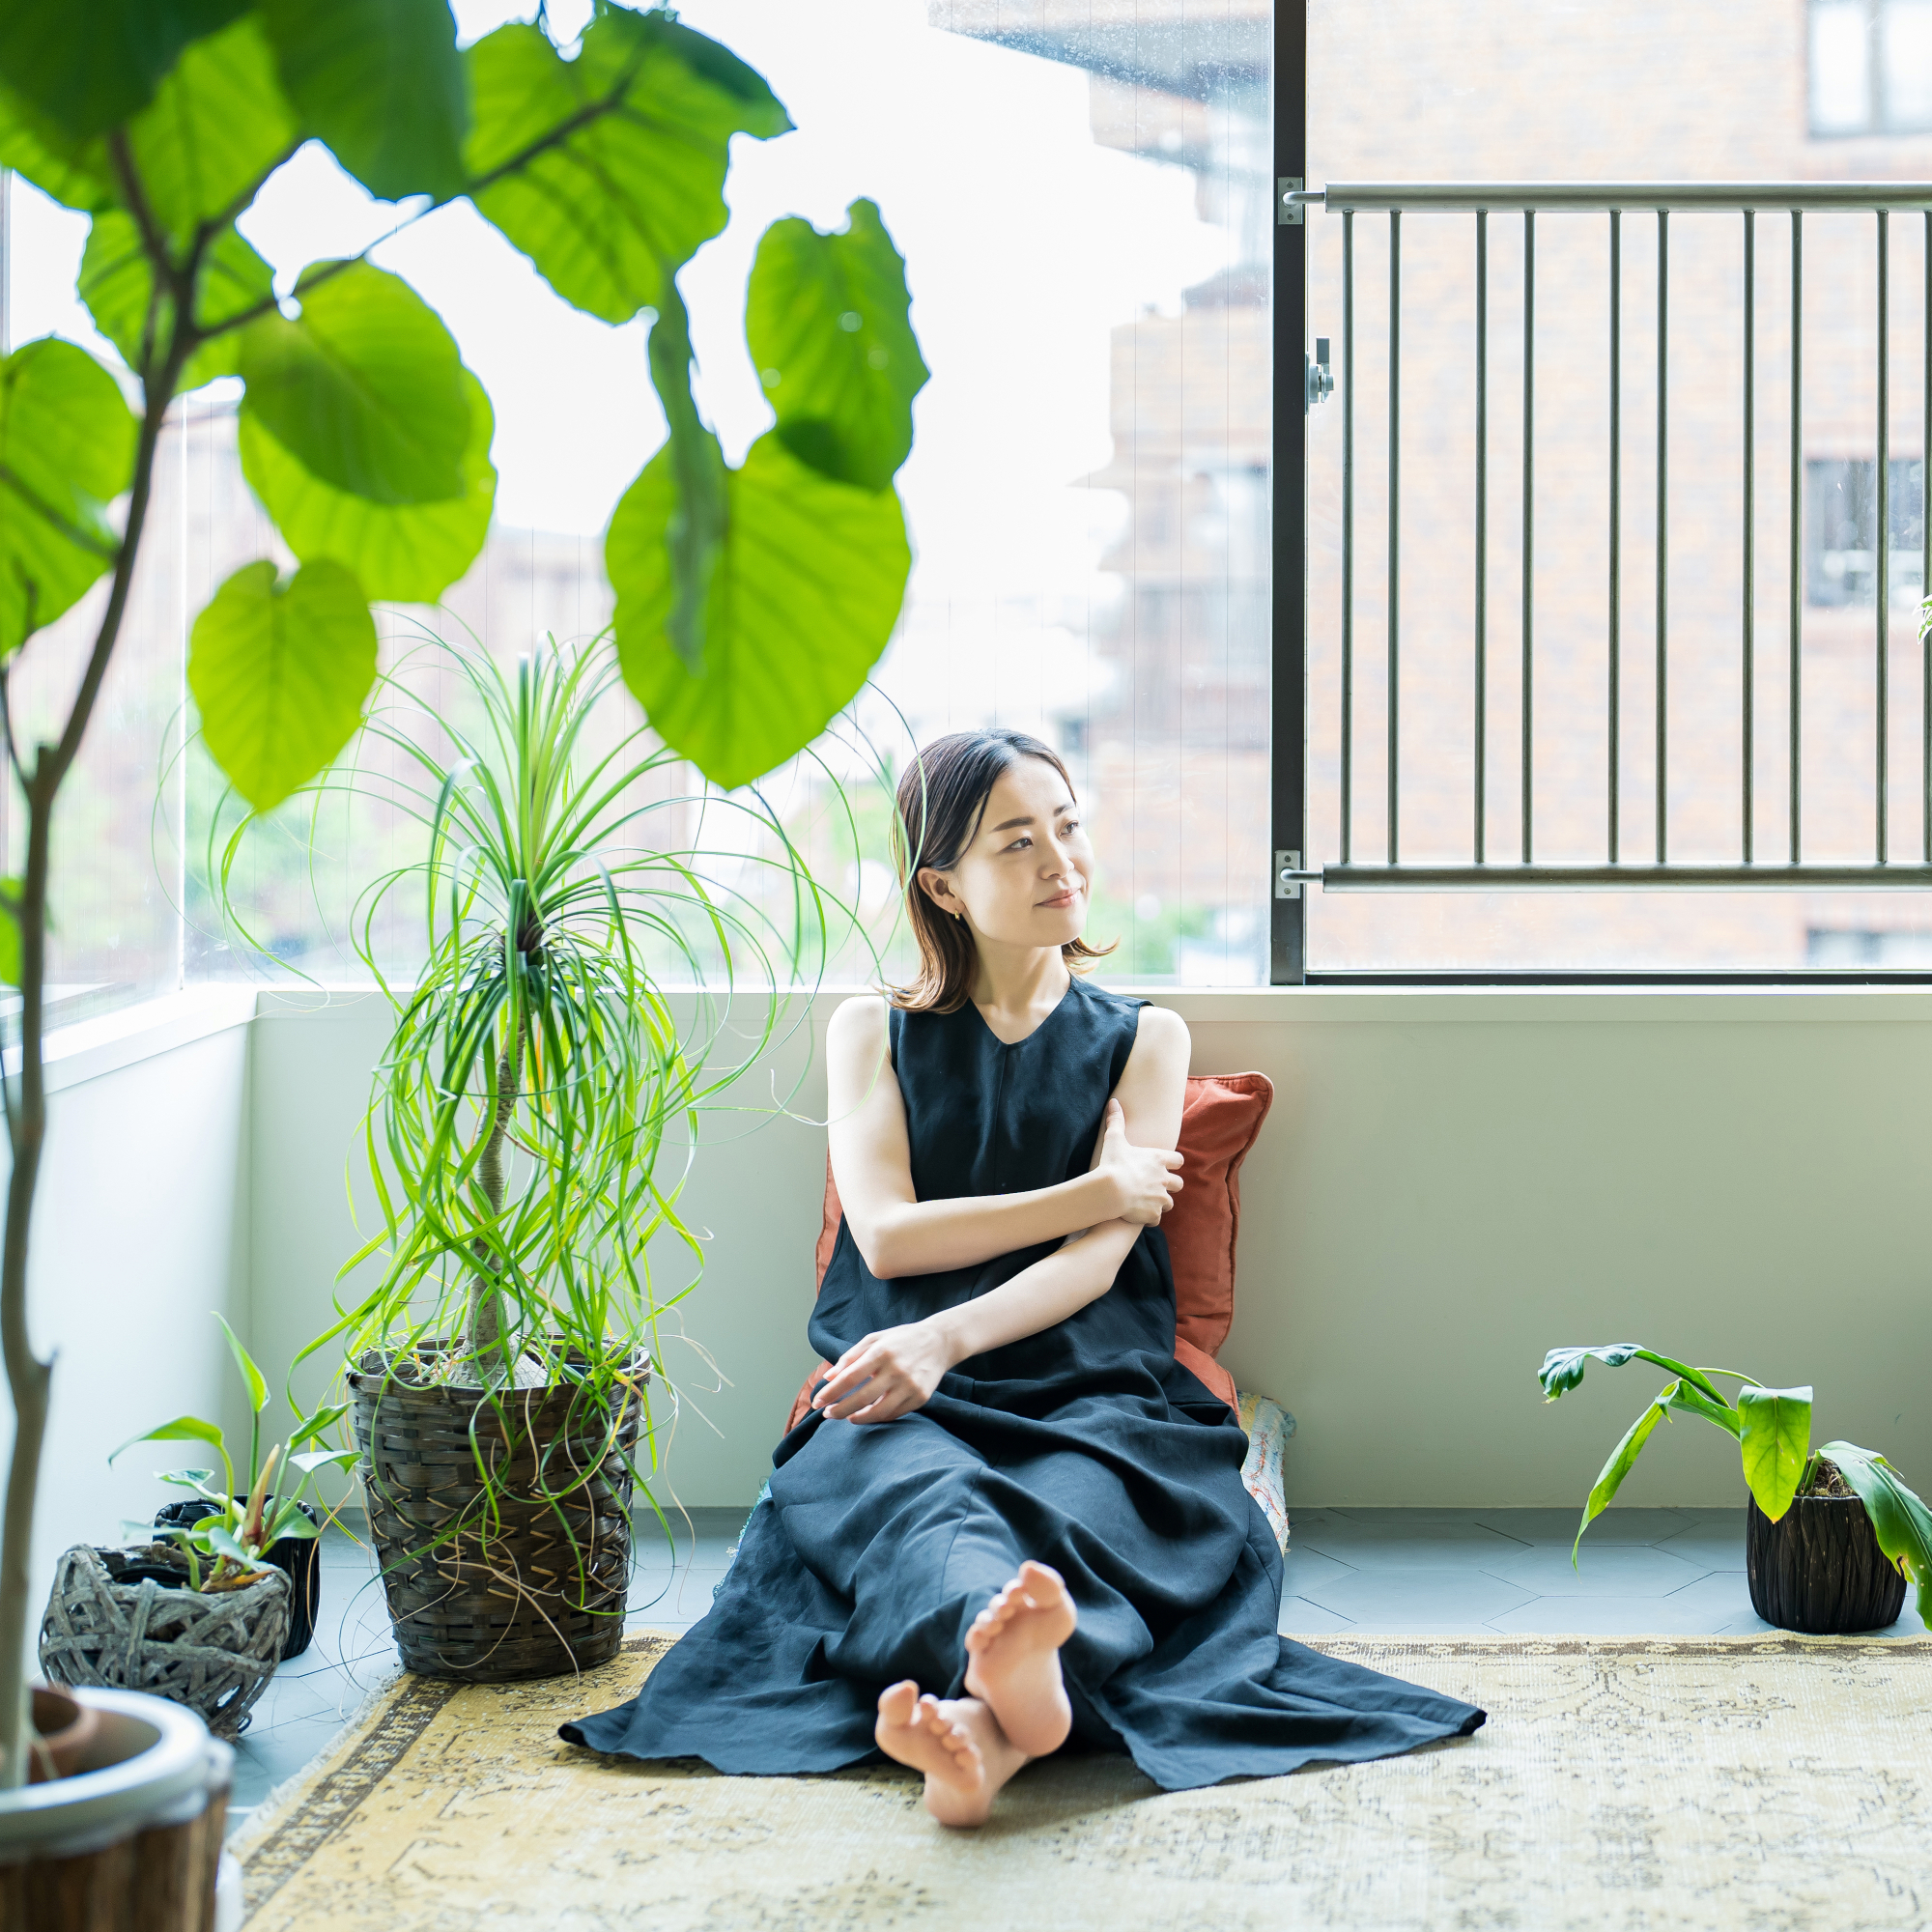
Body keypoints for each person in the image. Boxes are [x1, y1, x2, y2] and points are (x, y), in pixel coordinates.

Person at [561, 728, 1485, 1823]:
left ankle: (991, 1731)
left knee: (1079, 1510)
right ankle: (1008, 1704)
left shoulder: (1144, 1037)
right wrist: (1093, 1192)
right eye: (1017, 840)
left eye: (1067, 824)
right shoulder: (871, 1030)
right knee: (933, 1504)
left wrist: (950, 1331)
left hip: (1094, 1385)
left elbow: (1097, 1273)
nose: (1062, 861)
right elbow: (893, 1237)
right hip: (897, 1388)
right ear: (941, 884)